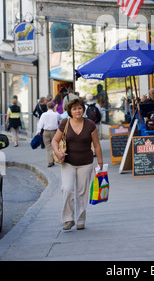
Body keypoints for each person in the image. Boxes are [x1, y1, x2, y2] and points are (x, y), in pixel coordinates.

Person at [51, 97, 103, 231]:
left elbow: (96, 145)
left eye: (80, 108)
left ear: (83, 109)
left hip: (86, 163)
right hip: (68, 162)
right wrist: (57, 152)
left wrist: (100, 162)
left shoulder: (90, 124)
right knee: (67, 189)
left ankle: (81, 220)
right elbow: (54, 141)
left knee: (82, 192)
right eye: (74, 109)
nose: (77, 111)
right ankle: (68, 219)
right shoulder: (64, 123)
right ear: (70, 111)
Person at [36, 102, 61, 167]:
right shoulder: (56, 114)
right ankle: (55, 159)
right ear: (53, 107)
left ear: (47, 107)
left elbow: (40, 123)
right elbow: (60, 118)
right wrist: (55, 111)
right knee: (55, 146)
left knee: (48, 147)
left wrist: (38, 131)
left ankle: (50, 161)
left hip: (46, 132)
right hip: (54, 132)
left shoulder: (44, 114)